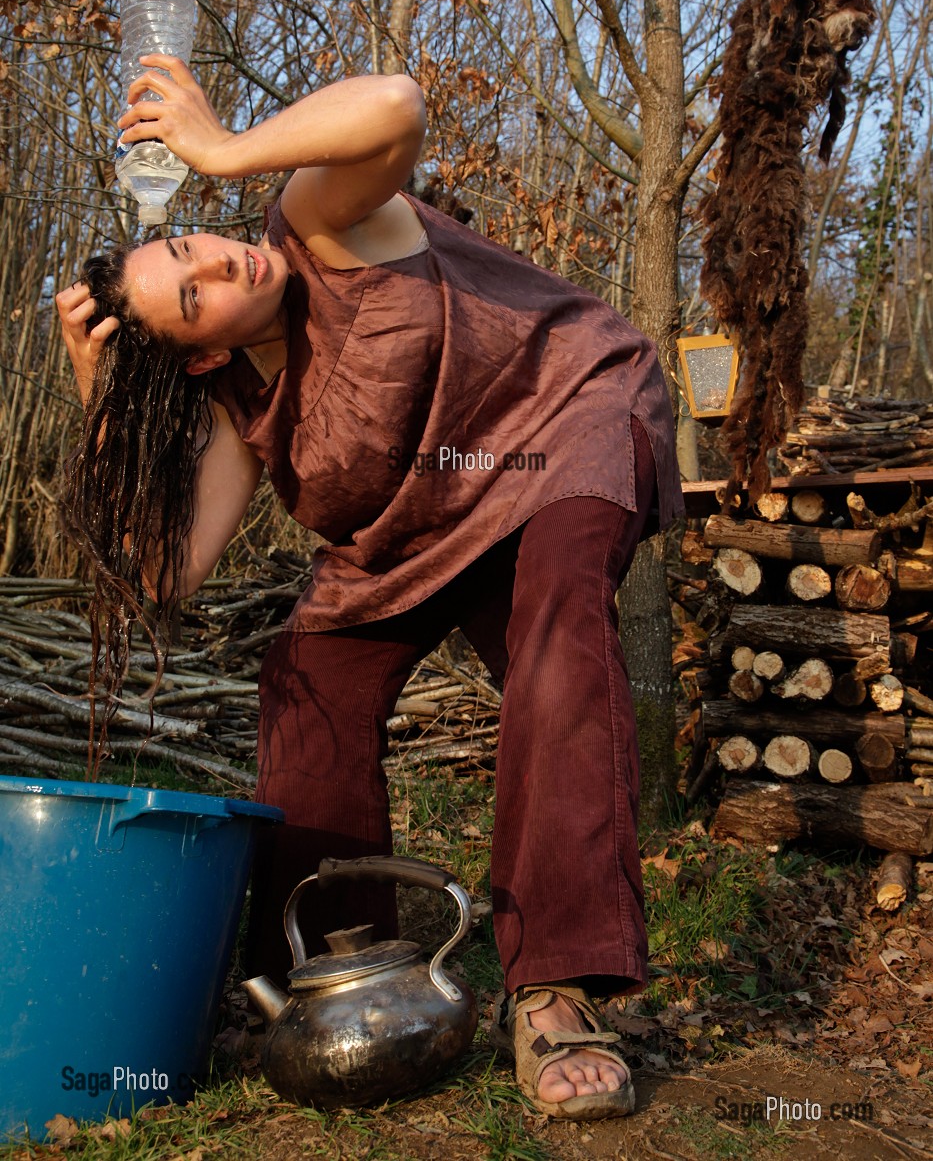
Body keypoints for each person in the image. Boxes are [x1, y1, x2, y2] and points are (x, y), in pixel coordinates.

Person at [57, 55, 684, 1121]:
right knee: (308, 671)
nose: (218, 262)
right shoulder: (237, 404)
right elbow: (163, 576)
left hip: (558, 429)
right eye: (193, 294)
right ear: (200, 356)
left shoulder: (320, 218)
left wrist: (217, 145)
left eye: (186, 244)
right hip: (422, 526)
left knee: (557, 637)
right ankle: (334, 967)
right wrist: (98, 396)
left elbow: (395, 103)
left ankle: (556, 992)